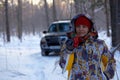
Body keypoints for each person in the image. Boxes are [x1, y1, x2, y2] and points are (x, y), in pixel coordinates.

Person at [59, 14, 116, 80]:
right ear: (74, 28)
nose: (81, 29)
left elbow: (110, 61)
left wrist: (107, 75)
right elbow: (63, 65)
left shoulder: (99, 44)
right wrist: (69, 50)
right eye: (78, 26)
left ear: (89, 28)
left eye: (84, 26)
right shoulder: (69, 44)